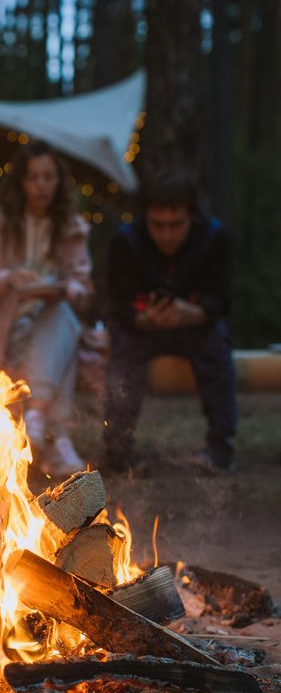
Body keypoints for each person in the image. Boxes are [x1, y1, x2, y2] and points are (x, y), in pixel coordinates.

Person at [0, 139, 94, 478]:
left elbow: (83, 285)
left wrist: (67, 289)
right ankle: (57, 437)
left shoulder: (69, 226)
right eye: (33, 177)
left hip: (48, 321)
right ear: (20, 181)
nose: (41, 185)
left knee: (62, 315)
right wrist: (8, 279)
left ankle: (37, 419)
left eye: (48, 177)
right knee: (66, 333)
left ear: (58, 182)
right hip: (1, 329)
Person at [104, 170, 237, 474]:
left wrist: (188, 312)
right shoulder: (126, 242)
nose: (166, 235)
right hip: (141, 329)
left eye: (176, 225)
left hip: (196, 326)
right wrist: (144, 317)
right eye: (158, 226)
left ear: (191, 216)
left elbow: (220, 301)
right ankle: (119, 449)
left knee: (217, 347)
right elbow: (118, 303)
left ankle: (220, 448)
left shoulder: (215, 239)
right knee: (124, 357)